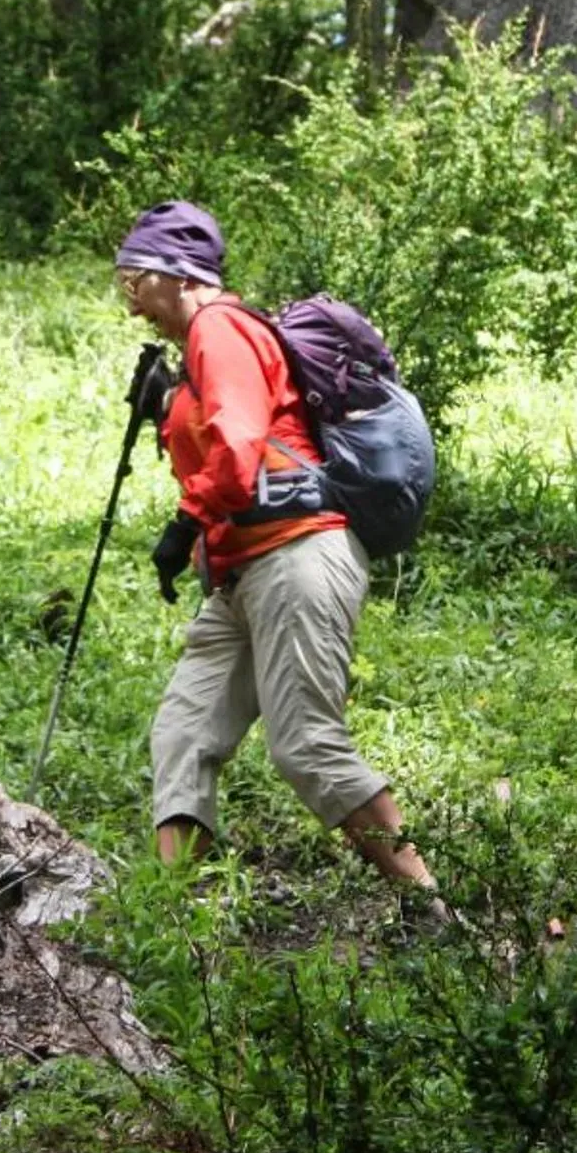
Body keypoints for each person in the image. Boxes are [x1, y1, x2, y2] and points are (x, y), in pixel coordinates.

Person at [115, 200, 440, 900]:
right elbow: (232, 432)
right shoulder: (203, 345)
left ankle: (431, 905)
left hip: (296, 556)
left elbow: (237, 448)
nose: (133, 305)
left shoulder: (219, 326)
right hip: (240, 576)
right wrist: (170, 402)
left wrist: (184, 522)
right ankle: (169, 916)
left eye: (132, 283)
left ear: (172, 271)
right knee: (183, 733)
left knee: (304, 744)